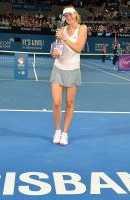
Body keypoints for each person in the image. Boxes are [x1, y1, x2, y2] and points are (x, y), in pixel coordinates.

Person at [50, 6, 87, 146]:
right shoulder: (62, 30)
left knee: (70, 103)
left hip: (73, 70)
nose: (68, 17)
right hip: (58, 68)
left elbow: (78, 48)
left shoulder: (82, 28)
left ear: (75, 15)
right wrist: (55, 53)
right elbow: (57, 48)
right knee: (56, 102)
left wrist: (64, 38)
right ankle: (57, 130)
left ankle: (65, 133)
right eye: (66, 16)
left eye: (70, 14)